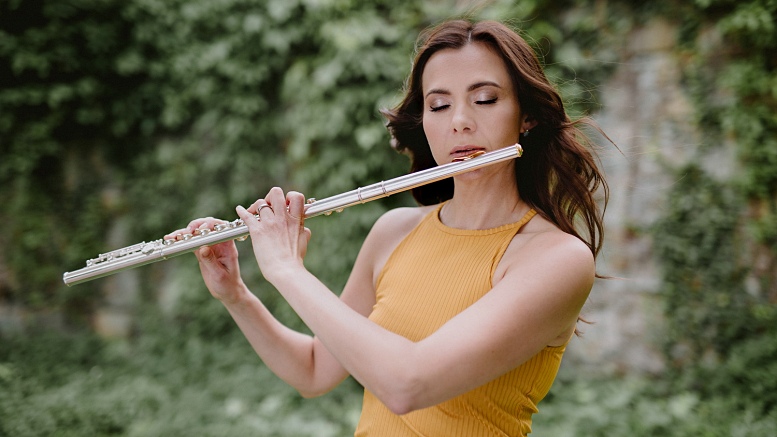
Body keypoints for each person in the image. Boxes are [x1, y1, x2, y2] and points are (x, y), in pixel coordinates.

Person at [166, 19, 609, 437]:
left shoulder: (556, 259)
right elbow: (316, 370)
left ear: (526, 117)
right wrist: (236, 295)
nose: (459, 121)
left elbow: (407, 384)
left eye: (486, 99)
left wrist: (286, 269)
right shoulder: (393, 231)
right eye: (438, 105)